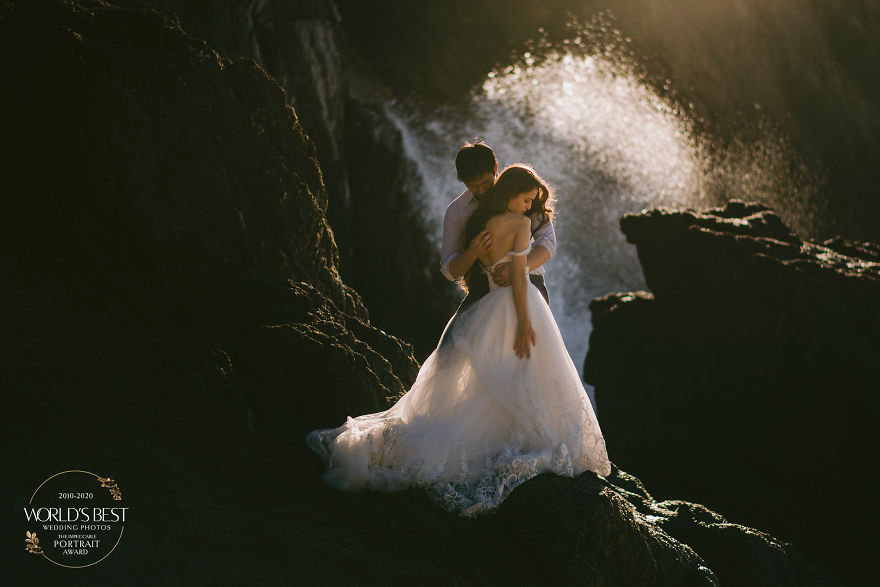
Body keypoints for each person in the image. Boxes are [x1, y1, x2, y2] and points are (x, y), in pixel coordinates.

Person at [305, 164, 611, 518]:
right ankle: (494, 430)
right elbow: (459, 269)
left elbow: (546, 247)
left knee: (509, 368)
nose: (530, 206)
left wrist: (517, 264)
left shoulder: (495, 216)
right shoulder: (477, 214)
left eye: (484, 181)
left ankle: (502, 430)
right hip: (508, 298)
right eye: (527, 200)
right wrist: (518, 300)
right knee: (496, 364)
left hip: (507, 294)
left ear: (496, 173)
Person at [441, 140, 556, 312]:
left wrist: (517, 269)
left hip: (529, 279)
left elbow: (548, 243)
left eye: (485, 183)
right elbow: (450, 272)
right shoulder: (456, 211)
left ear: (495, 168)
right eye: (473, 186)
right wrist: (472, 253)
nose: (481, 191)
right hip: (483, 288)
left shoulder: (522, 191)